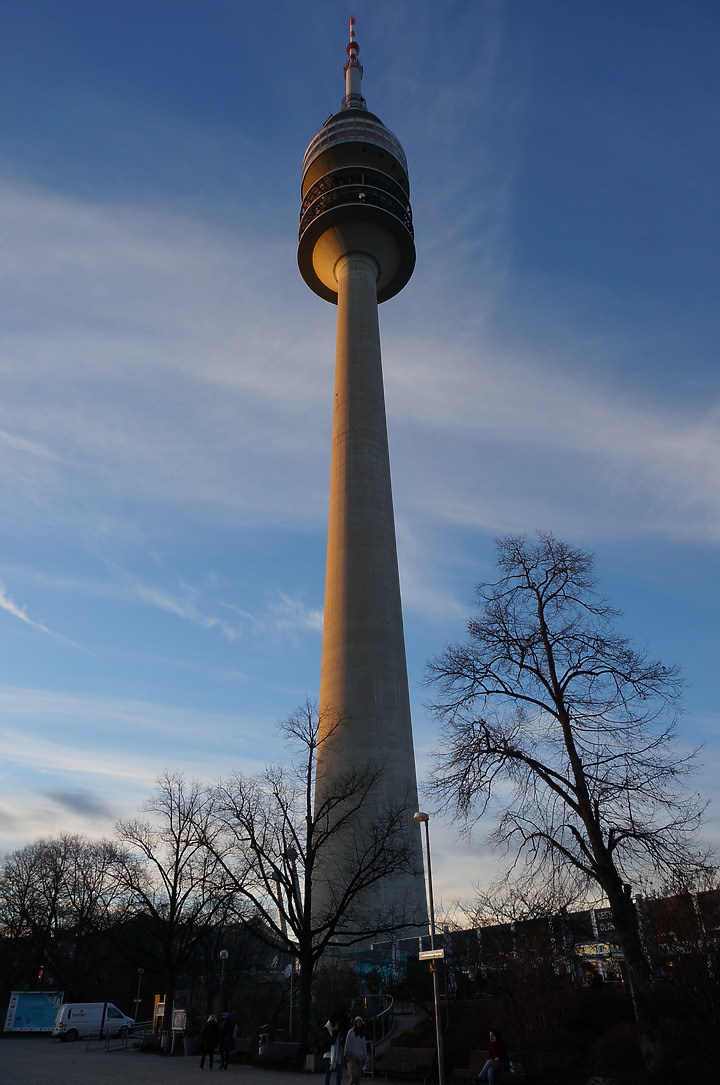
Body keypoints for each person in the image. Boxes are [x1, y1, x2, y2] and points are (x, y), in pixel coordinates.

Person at [324, 1008, 349, 1085]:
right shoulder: (327, 1028)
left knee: (339, 1073)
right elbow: (331, 1041)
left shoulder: (339, 1029)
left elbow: (341, 1041)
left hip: (338, 1054)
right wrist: (335, 1031)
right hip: (328, 1053)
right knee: (328, 1074)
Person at [344, 1016, 366, 1085]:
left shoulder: (362, 1035)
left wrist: (364, 1057)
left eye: (360, 1022)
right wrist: (346, 1054)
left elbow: (363, 1046)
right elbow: (347, 1043)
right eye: (357, 1022)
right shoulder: (351, 1032)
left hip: (360, 1056)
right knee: (354, 1075)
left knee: (358, 1075)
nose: (359, 1023)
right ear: (355, 1023)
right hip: (352, 1056)